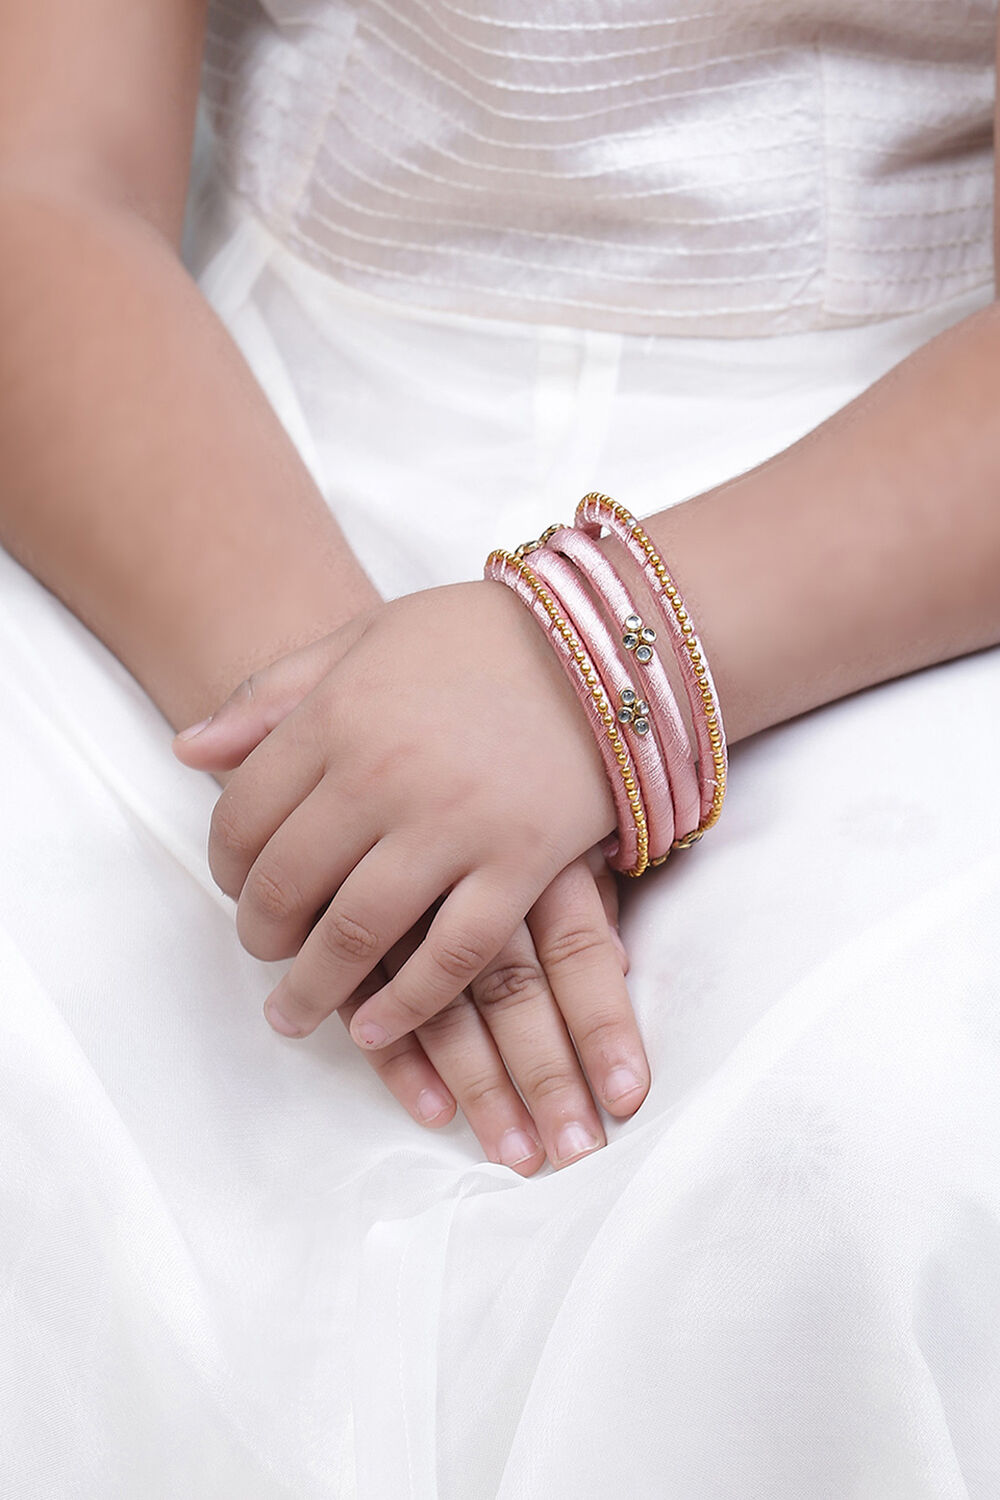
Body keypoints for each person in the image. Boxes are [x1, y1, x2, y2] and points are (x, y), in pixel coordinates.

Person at [2, 1, 998, 1494]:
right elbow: (39, 174)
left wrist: (585, 665)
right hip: (195, 440)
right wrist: (339, 750)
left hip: (890, 527)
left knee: (881, 1142)